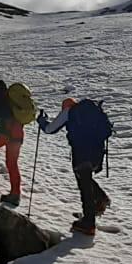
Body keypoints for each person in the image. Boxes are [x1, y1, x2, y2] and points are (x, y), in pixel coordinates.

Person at [38, 98, 113, 236]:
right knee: (85, 179)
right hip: (97, 152)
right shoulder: (91, 111)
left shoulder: (69, 112)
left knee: (84, 184)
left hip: (81, 153)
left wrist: (41, 121)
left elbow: (50, 129)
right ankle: (99, 200)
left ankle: (89, 223)